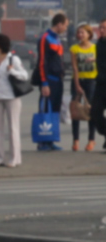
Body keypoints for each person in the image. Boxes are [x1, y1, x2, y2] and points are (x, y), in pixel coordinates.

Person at [0, 34, 27, 167]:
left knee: (13, 127)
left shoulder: (13, 59)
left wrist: (13, 72)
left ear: (0, 45)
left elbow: (25, 76)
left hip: (12, 97)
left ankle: (14, 159)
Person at [36, 13, 68, 151]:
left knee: (55, 110)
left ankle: (51, 140)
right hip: (49, 80)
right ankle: (42, 142)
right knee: (45, 110)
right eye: (65, 25)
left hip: (58, 80)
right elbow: (42, 62)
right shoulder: (45, 38)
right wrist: (44, 83)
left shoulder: (57, 39)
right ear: (59, 24)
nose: (66, 28)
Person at [70, 23, 97, 151]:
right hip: (77, 80)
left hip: (92, 81)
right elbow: (74, 67)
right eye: (78, 32)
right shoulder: (74, 48)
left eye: (82, 32)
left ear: (89, 34)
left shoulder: (95, 48)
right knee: (76, 110)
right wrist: (77, 84)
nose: (80, 35)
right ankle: (76, 140)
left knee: (90, 110)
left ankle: (91, 140)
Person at [91, 18, 106, 148]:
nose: (101, 30)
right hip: (101, 83)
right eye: (100, 27)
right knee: (95, 112)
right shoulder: (99, 44)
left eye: (104, 28)